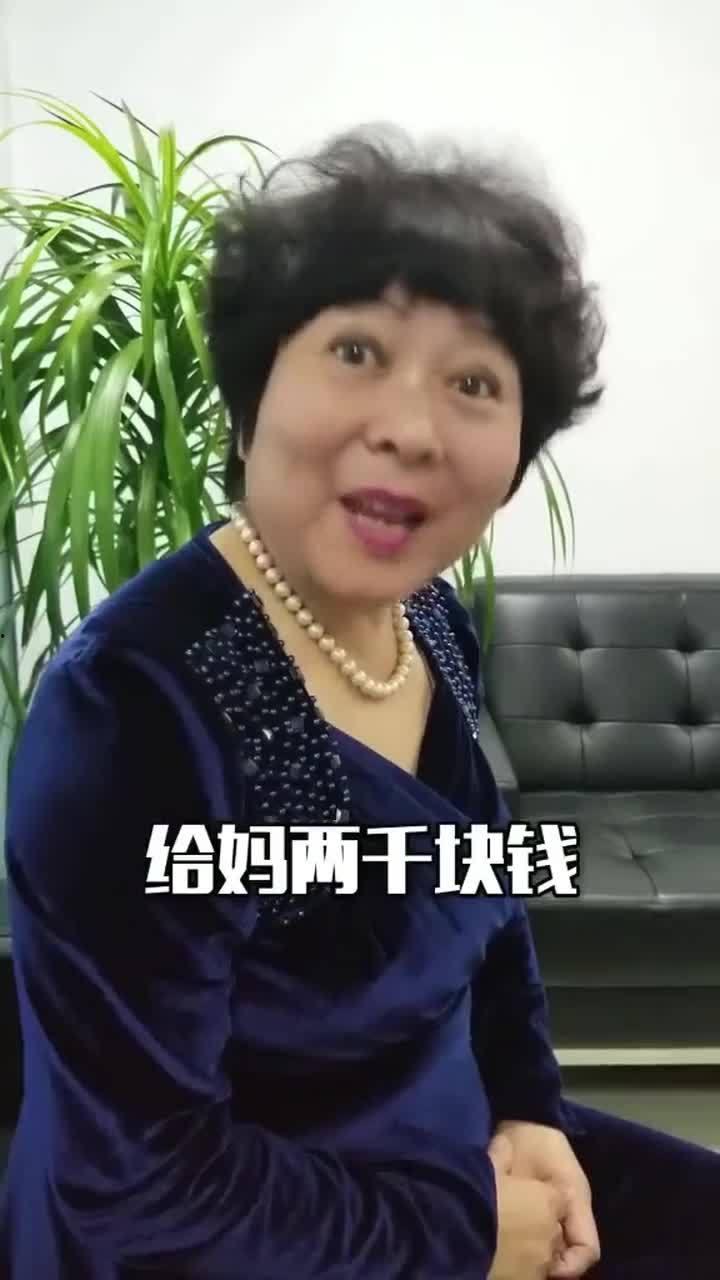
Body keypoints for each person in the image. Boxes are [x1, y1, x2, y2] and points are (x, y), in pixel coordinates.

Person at [0, 126, 718, 1280]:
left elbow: (483, 883)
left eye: (475, 383)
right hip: (245, 1226)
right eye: (355, 350)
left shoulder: (429, 617)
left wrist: (530, 1103)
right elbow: (140, 1184)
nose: (411, 427)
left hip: (448, 1129)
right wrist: (470, 1236)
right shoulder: (133, 705)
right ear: (252, 392)